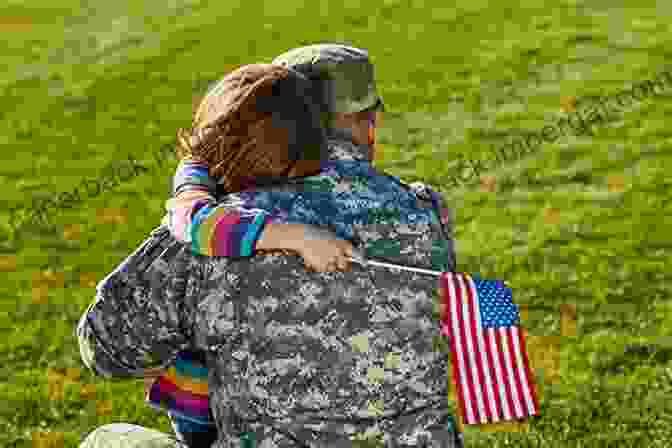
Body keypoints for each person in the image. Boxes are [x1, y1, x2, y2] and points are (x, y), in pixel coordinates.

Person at [78, 45, 462, 447]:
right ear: (369, 123)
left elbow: (104, 347)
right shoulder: (425, 213)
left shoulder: (222, 229)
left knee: (108, 440)